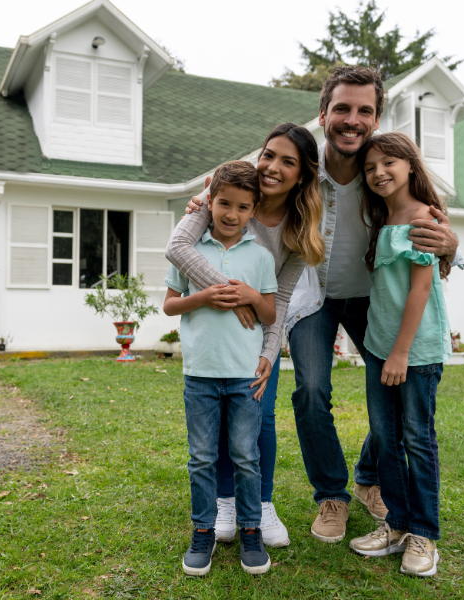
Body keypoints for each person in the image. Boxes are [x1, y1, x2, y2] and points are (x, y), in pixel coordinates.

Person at [181, 65, 463, 544]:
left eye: (364, 111)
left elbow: (429, 225)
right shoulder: (302, 170)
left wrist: (451, 247)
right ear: (323, 113)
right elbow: (244, 184)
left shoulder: (385, 174)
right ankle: (332, 495)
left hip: (374, 303)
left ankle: (370, 477)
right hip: (313, 302)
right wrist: (204, 202)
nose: (352, 119)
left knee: (389, 399)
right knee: (311, 392)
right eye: (342, 109)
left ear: (376, 118)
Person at [166, 123, 325, 547]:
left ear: (303, 174)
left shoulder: (298, 227)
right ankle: (223, 502)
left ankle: (262, 503)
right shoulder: (222, 194)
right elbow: (178, 249)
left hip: (262, 329)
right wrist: (233, 295)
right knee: (215, 423)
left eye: (287, 161)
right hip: (223, 330)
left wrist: (270, 355)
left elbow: (283, 299)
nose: (271, 166)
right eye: (269, 154)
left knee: (263, 413)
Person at [164, 160, 278, 576]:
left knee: (246, 456)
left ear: (253, 210)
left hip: (245, 375)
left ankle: (251, 531)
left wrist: (249, 294)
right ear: (209, 202)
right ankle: (203, 531)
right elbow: (170, 304)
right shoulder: (191, 253)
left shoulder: (261, 257)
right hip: (200, 374)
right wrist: (203, 298)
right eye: (224, 203)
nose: (232, 214)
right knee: (201, 458)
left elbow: (269, 314)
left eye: (243, 207)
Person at [347, 132, 451, 577]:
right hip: (379, 346)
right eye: (370, 168)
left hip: (414, 352)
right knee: (384, 437)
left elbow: (421, 289)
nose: (378, 173)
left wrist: (401, 353)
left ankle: (423, 534)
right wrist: (384, 351)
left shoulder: (424, 218)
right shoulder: (384, 216)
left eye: (388, 163)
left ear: (410, 164)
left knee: (416, 438)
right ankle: (396, 524)